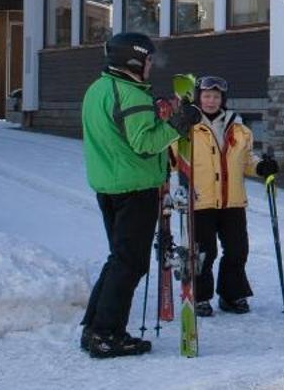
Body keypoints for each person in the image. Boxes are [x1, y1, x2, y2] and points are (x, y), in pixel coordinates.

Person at [79, 31, 197, 358]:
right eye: (147, 59)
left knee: (119, 259)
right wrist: (179, 123)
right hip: (134, 188)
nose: (150, 65)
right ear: (132, 59)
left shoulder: (99, 88)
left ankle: (94, 327)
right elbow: (144, 143)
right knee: (130, 264)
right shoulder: (131, 94)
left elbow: (120, 132)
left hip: (109, 185)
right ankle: (107, 334)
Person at [187, 75, 272, 316]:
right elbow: (174, 159)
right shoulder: (188, 126)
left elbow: (246, 160)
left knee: (237, 249)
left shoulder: (239, 127)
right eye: (206, 96)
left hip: (232, 200)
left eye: (216, 97)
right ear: (199, 98)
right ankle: (200, 297)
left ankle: (232, 295)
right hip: (200, 200)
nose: (211, 101)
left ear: (222, 99)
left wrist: (261, 167)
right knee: (204, 252)